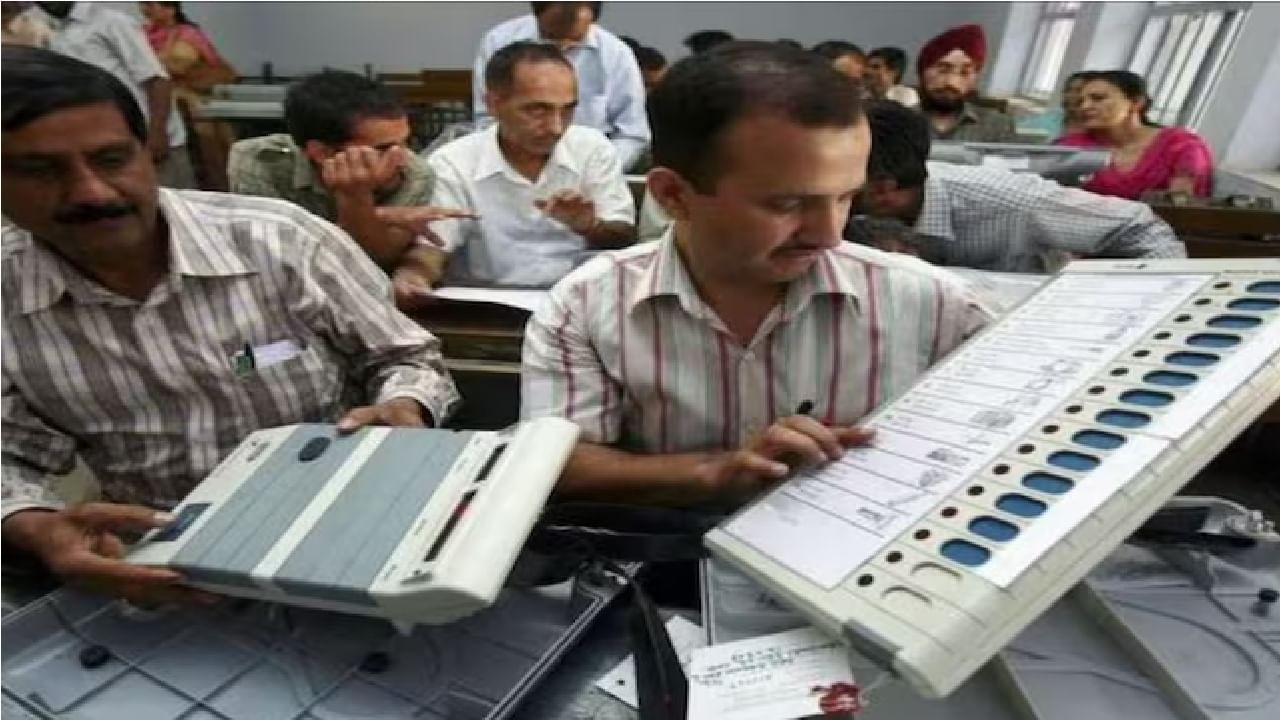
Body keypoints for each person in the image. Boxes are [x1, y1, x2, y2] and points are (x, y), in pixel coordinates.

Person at [0, 46, 460, 605]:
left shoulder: (281, 240)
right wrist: (32, 524)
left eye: (112, 159)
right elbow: (9, 453)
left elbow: (407, 358)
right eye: (40, 171)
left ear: (149, 154)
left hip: (352, 523)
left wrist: (405, 407)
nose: (91, 192)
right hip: (165, 567)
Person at [520, 43, 993, 507]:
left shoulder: (937, 308)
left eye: (847, 197)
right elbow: (558, 463)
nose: (829, 235)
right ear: (673, 195)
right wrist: (713, 473)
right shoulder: (586, 306)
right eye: (786, 204)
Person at [847, 101, 1185, 273]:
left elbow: (1140, 227)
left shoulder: (1010, 203)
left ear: (881, 189)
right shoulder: (864, 210)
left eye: (841, 189)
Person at [228, 70, 460, 309]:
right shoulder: (258, 160)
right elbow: (275, 257)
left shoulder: (415, 173)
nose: (401, 157)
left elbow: (372, 263)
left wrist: (355, 198)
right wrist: (383, 216)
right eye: (383, 148)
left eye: (406, 141)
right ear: (321, 153)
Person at [428, 41, 635, 288]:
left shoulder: (591, 148)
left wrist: (591, 227)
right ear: (493, 104)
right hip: (487, 312)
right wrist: (416, 275)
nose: (556, 127)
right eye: (538, 110)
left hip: (578, 306)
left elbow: (625, 240)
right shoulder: (453, 162)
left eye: (567, 110)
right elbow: (432, 247)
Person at [473, 2, 649, 171]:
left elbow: (632, 133)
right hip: (510, 164)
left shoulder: (616, 54)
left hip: (590, 170)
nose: (562, 48)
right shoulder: (499, 40)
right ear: (537, 14)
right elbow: (486, 118)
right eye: (552, 38)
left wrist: (598, 170)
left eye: (574, 39)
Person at [35, 1, 194, 188]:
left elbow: (157, 79)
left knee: (175, 208)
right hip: (109, 142)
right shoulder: (56, 33)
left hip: (149, 137)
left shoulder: (110, 22)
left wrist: (157, 134)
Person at [1056, 70, 1214, 200]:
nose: (1086, 106)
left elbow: (1179, 206)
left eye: (1098, 99)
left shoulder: (1181, 145)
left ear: (1136, 103)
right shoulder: (1072, 147)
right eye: (1081, 101)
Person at [916, 24, 1016, 143]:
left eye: (965, 72)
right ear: (922, 73)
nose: (951, 83)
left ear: (975, 79)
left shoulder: (997, 126)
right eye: (942, 70)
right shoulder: (892, 122)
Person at [139, 2, 233, 101]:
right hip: (152, 85)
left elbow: (213, 60)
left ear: (170, 10)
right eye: (142, 3)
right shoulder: (143, 32)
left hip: (189, 83)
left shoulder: (188, 32)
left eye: (149, 4)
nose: (144, 8)